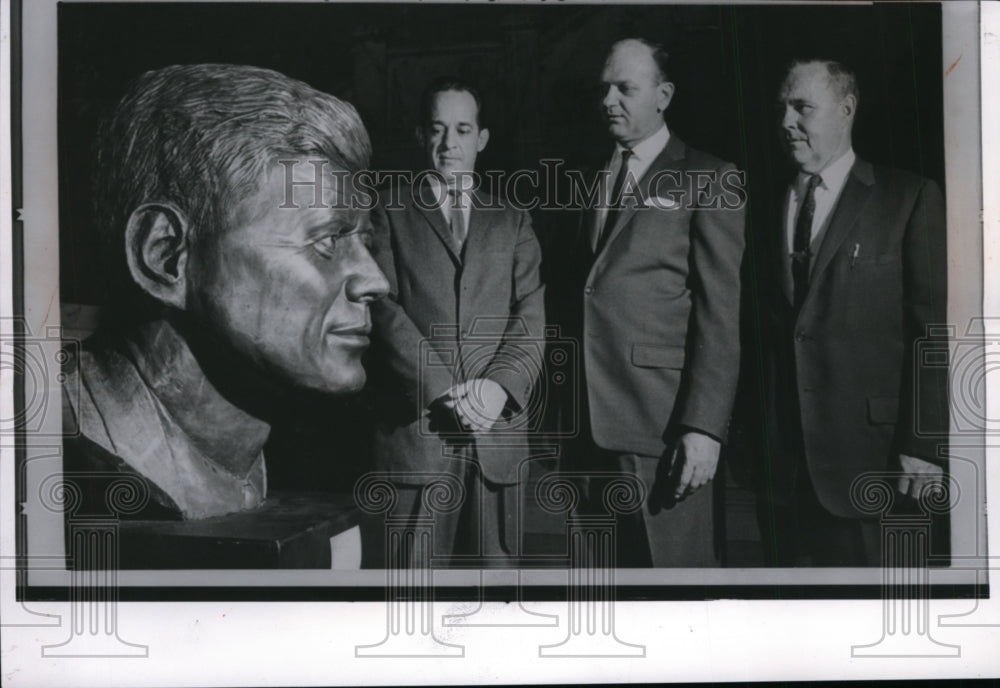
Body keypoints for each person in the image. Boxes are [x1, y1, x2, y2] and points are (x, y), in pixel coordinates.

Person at [63, 64, 389, 520]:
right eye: (327, 240)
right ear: (165, 256)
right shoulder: (62, 452)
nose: (376, 280)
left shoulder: (236, 454)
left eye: (366, 242)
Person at [748, 59, 948, 566]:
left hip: (875, 465)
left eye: (802, 108)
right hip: (782, 476)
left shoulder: (909, 198)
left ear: (846, 110)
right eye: (782, 109)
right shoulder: (762, 205)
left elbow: (932, 332)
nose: (786, 122)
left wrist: (923, 444)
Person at [564, 39, 745, 567]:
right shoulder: (588, 174)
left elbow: (721, 314)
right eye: (605, 88)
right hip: (589, 431)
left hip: (663, 431)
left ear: (663, 95)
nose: (609, 100)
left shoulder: (711, 176)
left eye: (626, 88)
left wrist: (704, 428)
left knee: (674, 593)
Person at [366, 78, 545, 566]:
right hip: (418, 438)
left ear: (481, 139)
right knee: (412, 605)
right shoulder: (387, 210)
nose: (450, 144)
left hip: (497, 442)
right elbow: (380, 307)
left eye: (463, 129)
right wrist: (444, 388)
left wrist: (496, 389)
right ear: (421, 134)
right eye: (439, 129)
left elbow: (530, 316)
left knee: (495, 604)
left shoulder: (512, 218)